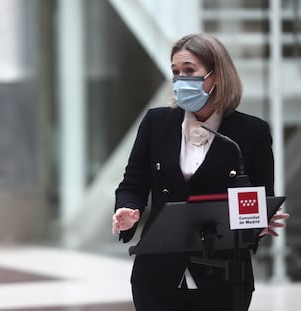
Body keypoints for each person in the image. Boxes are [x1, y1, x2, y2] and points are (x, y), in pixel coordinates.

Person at [112, 33, 289, 311]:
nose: (181, 79)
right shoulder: (156, 122)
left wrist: (257, 225)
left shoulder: (251, 132)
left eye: (190, 71)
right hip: (158, 275)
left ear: (216, 75)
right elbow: (132, 184)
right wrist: (127, 209)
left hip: (224, 279)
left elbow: (257, 198)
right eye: (175, 72)